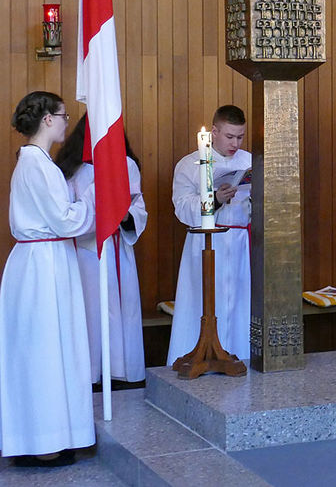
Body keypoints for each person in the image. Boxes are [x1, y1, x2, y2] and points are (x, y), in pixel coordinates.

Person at [0, 92, 96, 467]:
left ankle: (45, 437)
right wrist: (92, 199)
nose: (67, 121)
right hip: (42, 266)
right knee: (44, 351)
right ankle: (42, 443)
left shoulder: (38, 162)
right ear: (46, 120)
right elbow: (64, 220)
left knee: (49, 349)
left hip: (46, 260)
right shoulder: (37, 165)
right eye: (62, 115)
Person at [56, 114, 148, 383]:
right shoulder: (71, 169)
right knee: (91, 312)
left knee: (122, 310)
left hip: (118, 248)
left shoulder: (126, 165)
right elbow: (66, 211)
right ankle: (91, 374)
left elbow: (137, 205)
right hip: (86, 252)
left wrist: (125, 216)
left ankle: (122, 372)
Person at [167, 105, 252, 365]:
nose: (235, 143)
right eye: (229, 136)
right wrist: (213, 199)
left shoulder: (250, 161)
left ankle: (240, 357)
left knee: (239, 304)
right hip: (205, 242)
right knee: (202, 303)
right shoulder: (190, 164)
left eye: (240, 137)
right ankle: (199, 356)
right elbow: (181, 207)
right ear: (213, 132)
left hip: (240, 243)